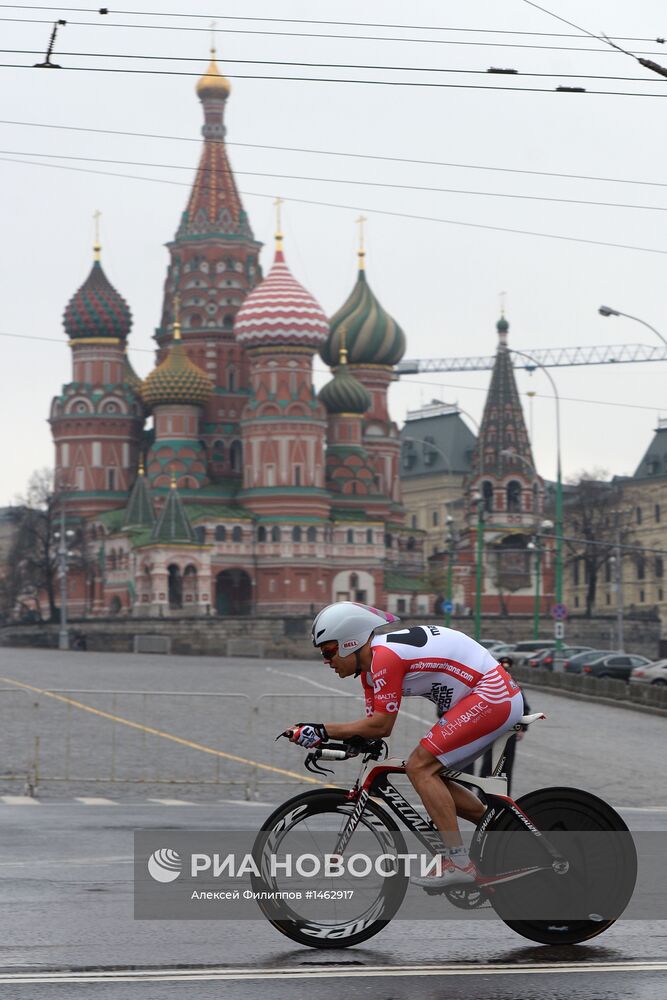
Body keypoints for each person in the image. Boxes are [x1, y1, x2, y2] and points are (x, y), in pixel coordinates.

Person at [285, 602, 525, 889]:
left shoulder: (384, 659)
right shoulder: (369, 672)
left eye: (328, 651)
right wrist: (337, 743)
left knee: (420, 768)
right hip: (478, 698)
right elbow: (372, 731)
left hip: (492, 694)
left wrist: (321, 730)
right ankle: (501, 832)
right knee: (431, 774)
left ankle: (459, 863)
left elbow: (381, 725)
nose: (327, 660)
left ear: (350, 642)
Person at [478, 655, 529, 796]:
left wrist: (522, 728)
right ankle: (484, 795)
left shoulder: (514, 685)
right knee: (489, 765)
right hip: (493, 731)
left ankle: (504, 795)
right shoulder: (489, 684)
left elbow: (523, 707)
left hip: (509, 732)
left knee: (506, 766)